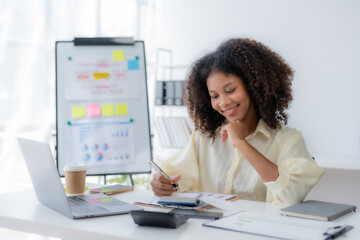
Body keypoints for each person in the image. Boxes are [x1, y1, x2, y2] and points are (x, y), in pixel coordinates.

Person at [150, 38, 325, 206]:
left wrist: (241, 143)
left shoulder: (287, 140)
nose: (224, 102)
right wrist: (162, 184)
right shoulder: (204, 138)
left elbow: (291, 195)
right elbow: (176, 179)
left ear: (253, 86)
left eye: (231, 90)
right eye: (215, 96)